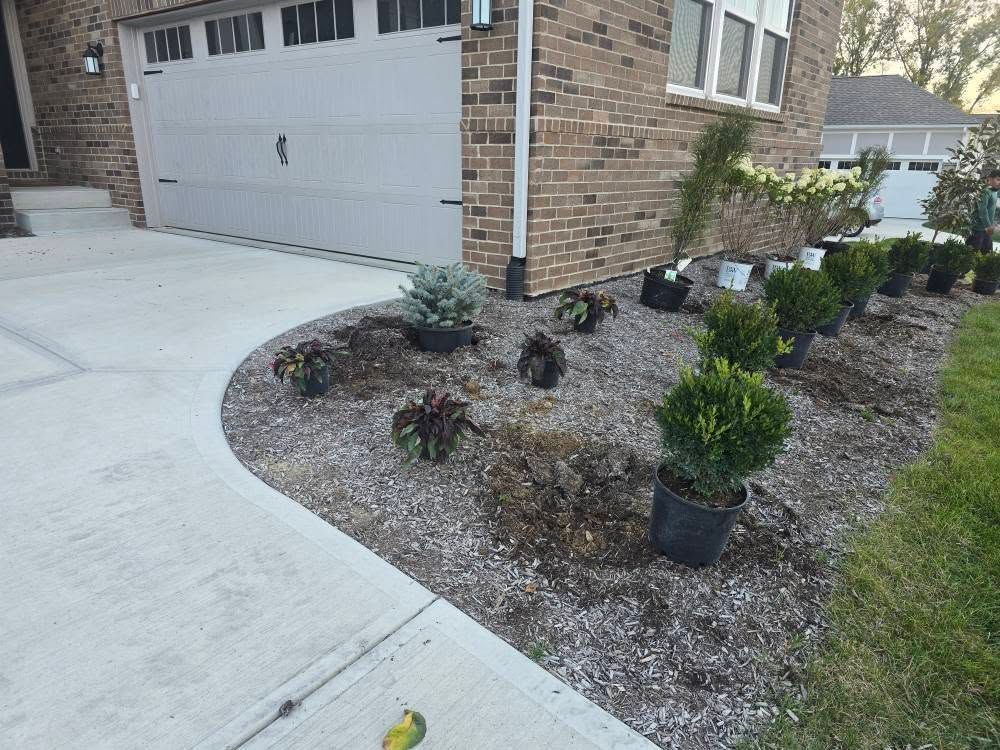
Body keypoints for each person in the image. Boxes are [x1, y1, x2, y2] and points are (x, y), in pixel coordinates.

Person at [968, 169, 1000, 252]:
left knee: (987, 253)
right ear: (990, 179)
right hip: (979, 228)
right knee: (973, 253)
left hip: (987, 229)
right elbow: (982, 210)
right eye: (998, 179)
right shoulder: (985, 192)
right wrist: (988, 226)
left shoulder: (995, 192)